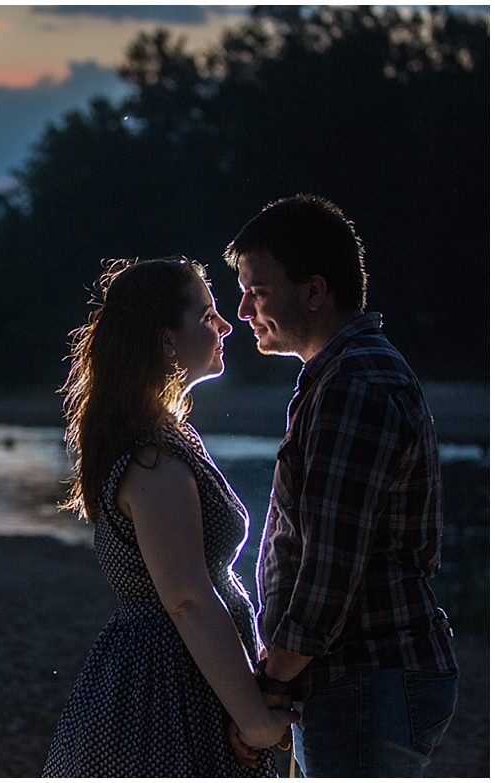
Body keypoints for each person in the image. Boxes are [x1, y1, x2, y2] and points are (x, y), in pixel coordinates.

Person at [223, 195, 459, 777]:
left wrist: (272, 681)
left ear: (313, 290)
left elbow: (331, 565)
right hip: (356, 679)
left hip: (366, 678)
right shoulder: (338, 374)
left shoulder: (354, 382)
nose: (243, 308)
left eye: (258, 289)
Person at [42, 257, 299, 777]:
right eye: (207, 317)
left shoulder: (167, 440)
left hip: (186, 674)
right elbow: (185, 597)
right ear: (166, 341)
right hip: (165, 688)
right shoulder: (153, 460)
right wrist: (254, 720)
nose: (226, 325)